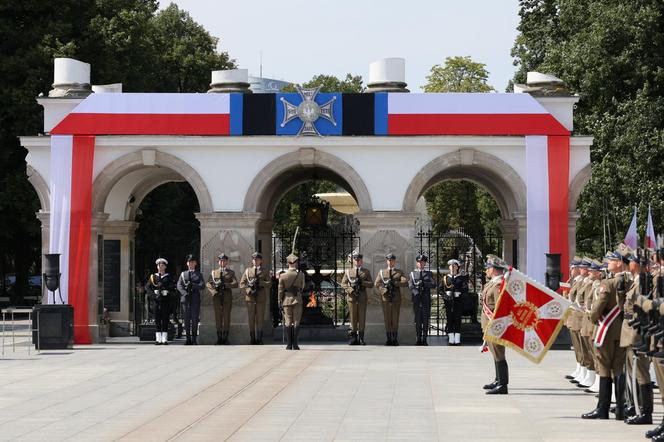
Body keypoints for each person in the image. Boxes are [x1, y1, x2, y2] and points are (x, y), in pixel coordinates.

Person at [582, 247, 631, 420]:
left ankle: (602, 408)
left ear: (618, 263)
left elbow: (597, 309)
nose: (608, 263)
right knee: (619, 369)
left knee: (603, 368)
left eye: (611, 260)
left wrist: (592, 318)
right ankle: (620, 408)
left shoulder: (608, 284)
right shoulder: (631, 281)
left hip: (606, 331)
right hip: (622, 332)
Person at [621, 249, 653, 425]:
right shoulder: (634, 281)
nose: (628, 264)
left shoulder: (642, 282)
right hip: (628, 331)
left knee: (641, 373)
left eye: (631, 261)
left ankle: (645, 411)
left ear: (637, 264)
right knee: (633, 372)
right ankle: (637, 407)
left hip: (636, 332)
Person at [481, 254, 509, 395]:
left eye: (488, 267)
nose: (486, 270)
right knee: (494, 353)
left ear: (494, 269)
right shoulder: (492, 283)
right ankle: (498, 380)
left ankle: (503, 385)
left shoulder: (499, 285)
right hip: (488, 323)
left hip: (494, 325)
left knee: (499, 354)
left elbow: (500, 307)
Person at [374, 253, 408, 346]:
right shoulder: (382, 272)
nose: (390, 262)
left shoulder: (399, 272)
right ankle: (388, 339)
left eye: (392, 260)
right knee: (387, 318)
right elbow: (376, 284)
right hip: (385, 298)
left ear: (394, 261)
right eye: (389, 260)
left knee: (395, 318)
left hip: (396, 298)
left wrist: (395, 283)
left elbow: (405, 282)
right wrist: (384, 289)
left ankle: (395, 338)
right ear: (386, 261)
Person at [341, 253, 373, 345]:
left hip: (362, 297)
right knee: (353, 318)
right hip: (352, 297)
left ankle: (361, 338)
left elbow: (371, 284)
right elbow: (343, 284)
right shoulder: (348, 272)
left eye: (359, 260)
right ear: (353, 261)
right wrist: (351, 290)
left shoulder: (366, 272)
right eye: (356, 260)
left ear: (361, 261)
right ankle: (354, 338)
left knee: (362, 318)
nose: (357, 261)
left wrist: (362, 282)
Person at [206, 253, 239, 345]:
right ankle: (219, 338)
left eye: (224, 260)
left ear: (226, 262)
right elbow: (208, 283)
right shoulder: (214, 272)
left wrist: (226, 285)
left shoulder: (231, 272)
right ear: (218, 262)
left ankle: (225, 338)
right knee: (218, 318)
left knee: (226, 317)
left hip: (227, 298)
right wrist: (213, 291)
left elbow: (236, 284)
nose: (222, 262)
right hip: (217, 297)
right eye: (220, 260)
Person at [240, 252, 271, 345]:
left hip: (261, 297)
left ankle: (260, 339)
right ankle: (252, 339)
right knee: (251, 319)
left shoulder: (265, 271)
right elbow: (242, 284)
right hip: (250, 298)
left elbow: (269, 283)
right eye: (254, 259)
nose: (255, 261)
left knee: (260, 318)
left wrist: (261, 283)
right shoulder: (247, 271)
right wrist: (249, 290)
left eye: (257, 259)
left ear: (261, 261)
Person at [278, 253, 306, 350]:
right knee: (296, 321)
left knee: (288, 322)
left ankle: (289, 344)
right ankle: (295, 344)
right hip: (297, 299)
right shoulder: (301, 274)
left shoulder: (282, 276)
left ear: (288, 263)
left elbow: (280, 290)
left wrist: (279, 300)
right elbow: (302, 287)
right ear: (296, 263)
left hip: (286, 300)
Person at [145, 258, 175, 345]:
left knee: (165, 319)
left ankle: (164, 339)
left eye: (162, 265)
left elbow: (172, 287)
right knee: (157, 320)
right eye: (159, 265)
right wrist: (154, 295)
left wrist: (167, 291)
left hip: (165, 301)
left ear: (165, 267)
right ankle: (158, 339)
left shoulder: (168, 277)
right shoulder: (153, 277)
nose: (160, 267)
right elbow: (148, 288)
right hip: (156, 301)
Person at [177, 254, 205, 345]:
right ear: (187, 263)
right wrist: (185, 293)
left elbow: (202, 285)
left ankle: (194, 339)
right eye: (189, 262)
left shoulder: (198, 274)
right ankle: (187, 339)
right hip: (186, 299)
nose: (191, 264)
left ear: (195, 263)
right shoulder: (183, 274)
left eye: (192, 262)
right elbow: (179, 285)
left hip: (195, 299)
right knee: (186, 319)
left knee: (194, 319)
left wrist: (193, 286)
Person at [408, 254, 436, 346]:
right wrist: (416, 293)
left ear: (425, 263)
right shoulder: (412, 274)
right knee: (418, 320)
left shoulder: (429, 273)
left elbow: (433, 284)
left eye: (423, 262)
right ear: (417, 263)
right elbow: (411, 286)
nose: (421, 264)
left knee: (425, 320)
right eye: (419, 262)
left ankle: (424, 339)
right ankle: (418, 338)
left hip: (425, 300)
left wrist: (423, 283)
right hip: (417, 299)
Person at [440, 259, 468, 346]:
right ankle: (451, 339)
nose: (452, 267)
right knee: (450, 319)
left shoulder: (461, 278)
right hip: (448, 302)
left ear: (457, 267)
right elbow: (440, 290)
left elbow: (465, 289)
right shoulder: (445, 278)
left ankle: (457, 339)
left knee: (457, 319)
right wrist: (446, 296)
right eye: (451, 266)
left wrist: (459, 293)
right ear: (449, 267)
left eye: (454, 266)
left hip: (458, 302)